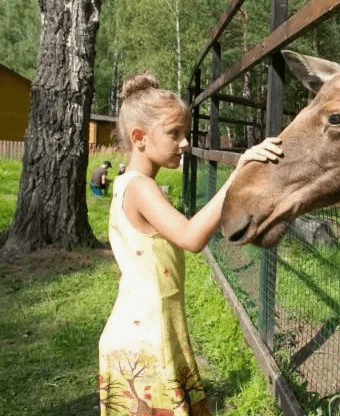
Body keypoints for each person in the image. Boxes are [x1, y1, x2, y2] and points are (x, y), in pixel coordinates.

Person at [98, 71, 282, 416]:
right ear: (140, 137)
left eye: (185, 133)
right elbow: (191, 237)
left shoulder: (128, 182)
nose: (185, 143)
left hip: (150, 329)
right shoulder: (140, 187)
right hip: (142, 340)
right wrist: (239, 174)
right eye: (174, 133)